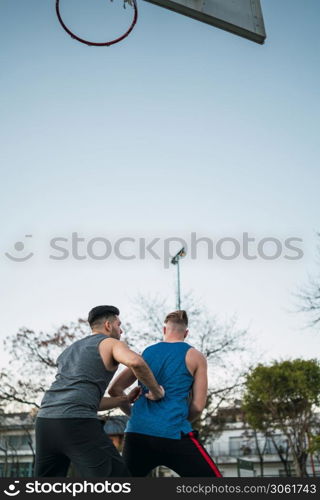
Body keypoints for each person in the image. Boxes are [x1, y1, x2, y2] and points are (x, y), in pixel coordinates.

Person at [35, 305, 164, 477]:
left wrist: (122, 400)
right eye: (119, 325)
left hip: (45, 423)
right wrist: (156, 391)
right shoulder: (110, 343)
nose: (122, 330)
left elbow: (84, 400)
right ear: (108, 326)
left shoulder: (70, 350)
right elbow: (136, 362)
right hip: (76, 423)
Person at [109, 309, 222, 477]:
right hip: (173, 434)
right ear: (186, 333)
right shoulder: (196, 357)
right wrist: (173, 420)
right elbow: (198, 406)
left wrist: (134, 414)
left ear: (164, 330)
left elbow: (114, 390)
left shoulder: (146, 354)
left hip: (137, 434)